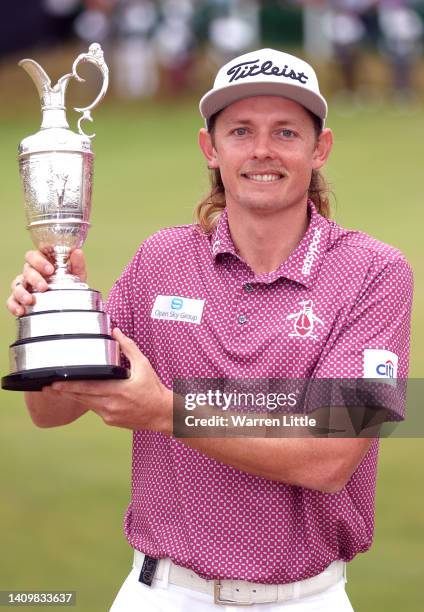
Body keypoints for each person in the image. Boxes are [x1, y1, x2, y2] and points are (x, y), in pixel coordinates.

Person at [6, 47, 413, 610]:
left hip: (305, 599)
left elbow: (330, 456)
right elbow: (51, 411)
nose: (262, 151)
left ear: (320, 149)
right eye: (241, 131)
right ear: (211, 149)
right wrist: (51, 321)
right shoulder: (162, 260)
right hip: (161, 593)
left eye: (286, 133)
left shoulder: (374, 272)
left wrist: (164, 411)